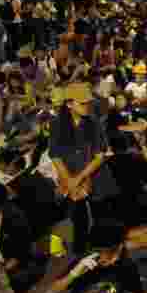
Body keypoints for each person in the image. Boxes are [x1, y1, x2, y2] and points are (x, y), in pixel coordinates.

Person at [49, 82, 118, 255]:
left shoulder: (93, 122)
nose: (87, 106)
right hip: (70, 176)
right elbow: (55, 155)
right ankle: (79, 255)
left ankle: (105, 251)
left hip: (95, 175)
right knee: (78, 220)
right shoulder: (57, 124)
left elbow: (100, 155)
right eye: (82, 103)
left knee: (102, 216)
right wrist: (69, 181)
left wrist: (79, 179)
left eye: (88, 102)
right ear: (69, 103)